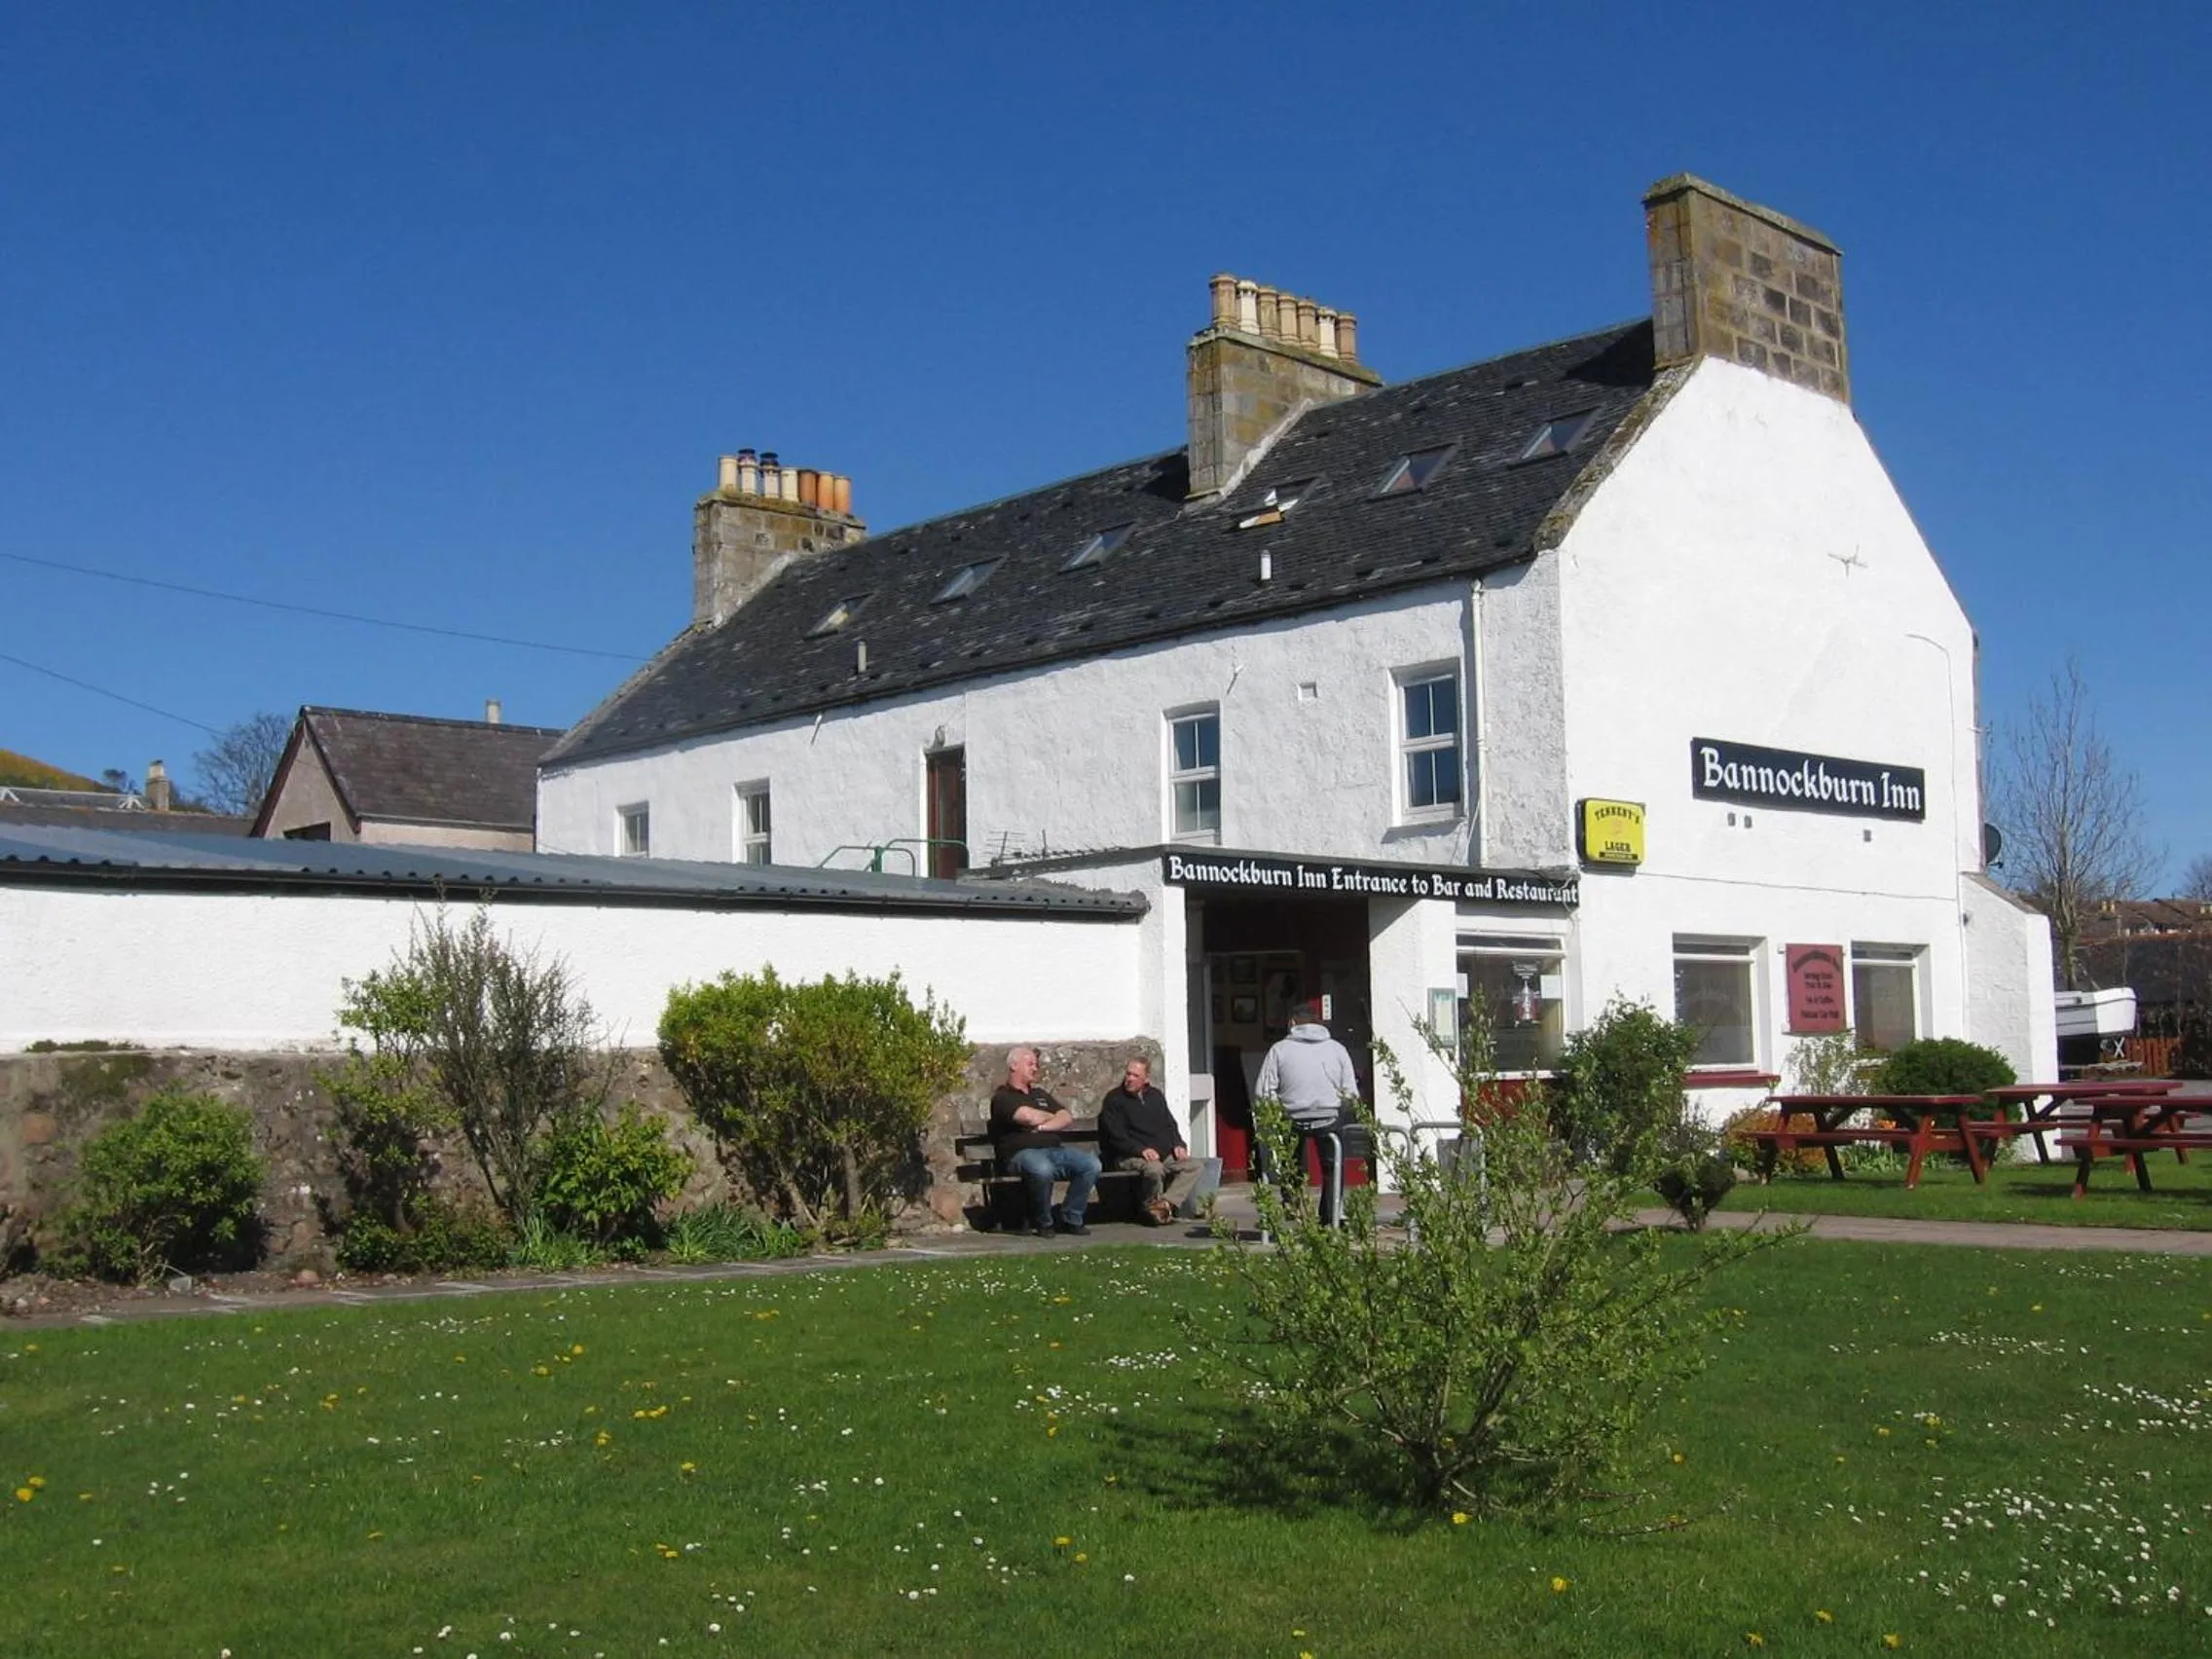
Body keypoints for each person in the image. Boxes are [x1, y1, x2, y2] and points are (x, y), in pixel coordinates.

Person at [1254, 1000, 1364, 1225]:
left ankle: (1294, 1207)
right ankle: (1330, 1217)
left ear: (1292, 1022)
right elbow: (1351, 1093)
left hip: (1292, 1118)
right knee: (1333, 1168)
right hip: (1328, 1118)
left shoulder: (1280, 1049)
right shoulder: (1337, 1049)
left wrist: (1278, 1110)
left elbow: (1264, 1091)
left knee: (1290, 1165)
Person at [989, 1046, 1100, 1238]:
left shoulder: (1040, 1094)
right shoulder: (1002, 1097)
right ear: (1014, 1066)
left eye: (1036, 1064)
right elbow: (1027, 1117)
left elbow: (1065, 1117)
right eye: (1030, 1064)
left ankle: (1071, 1218)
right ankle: (1044, 1222)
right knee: (1042, 1169)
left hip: (1053, 1150)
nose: (1035, 1068)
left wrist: (1042, 1127)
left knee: (1091, 1164)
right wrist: (1050, 1117)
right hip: (1021, 1155)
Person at [1097, 1055, 1206, 1225]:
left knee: (1194, 1165)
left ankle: (1162, 1205)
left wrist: (1178, 1144)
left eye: (1135, 1076)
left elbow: (1169, 1124)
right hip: (1128, 1155)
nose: (1130, 1079)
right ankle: (1152, 1209)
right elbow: (1116, 1136)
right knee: (1154, 1169)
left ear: (1146, 1078)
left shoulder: (1155, 1096)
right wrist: (1141, 1150)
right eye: (1128, 1074)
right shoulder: (1114, 1100)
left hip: (1162, 1153)